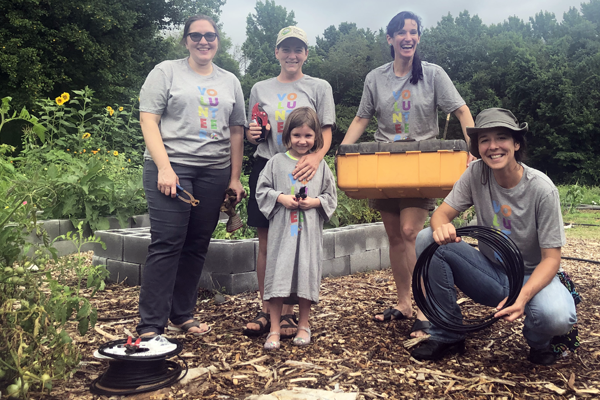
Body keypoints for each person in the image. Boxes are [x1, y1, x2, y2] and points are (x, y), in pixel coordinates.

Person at [339, 11, 475, 337]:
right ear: (390, 39)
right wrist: (342, 151)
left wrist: (474, 149)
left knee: (411, 231)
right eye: (401, 32)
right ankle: (404, 303)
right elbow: (362, 118)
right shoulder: (375, 78)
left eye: (413, 32)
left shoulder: (433, 75)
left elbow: (461, 109)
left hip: (420, 163)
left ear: (418, 38)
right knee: (395, 238)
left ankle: (427, 308)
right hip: (384, 166)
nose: (408, 37)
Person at [410, 108, 577, 365]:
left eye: (501, 138)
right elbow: (440, 215)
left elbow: (552, 260)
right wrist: (441, 226)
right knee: (427, 239)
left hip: (532, 276)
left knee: (556, 316)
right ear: (478, 147)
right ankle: (448, 333)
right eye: (485, 139)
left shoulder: (542, 189)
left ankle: (540, 343)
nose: (493, 146)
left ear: (516, 143)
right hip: (491, 273)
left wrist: (522, 298)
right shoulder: (477, 173)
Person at [136, 15, 246, 337]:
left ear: (217, 40)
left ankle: (182, 314)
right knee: (167, 243)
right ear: (186, 40)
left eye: (210, 35)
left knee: (197, 244)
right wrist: (165, 168)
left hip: (214, 171)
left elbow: (236, 131)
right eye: (196, 36)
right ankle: (151, 325)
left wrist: (235, 178)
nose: (203, 41)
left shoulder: (231, 81)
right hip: (173, 168)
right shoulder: (166, 71)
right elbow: (148, 120)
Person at [244, 26, 336, 338]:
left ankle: (289, 311)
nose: (292, 55)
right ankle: (268, 308)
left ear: (306, 54)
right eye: (286, 49)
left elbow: (326, 132)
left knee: (297, 241)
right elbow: (254, 127)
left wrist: (316, 157)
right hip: (269, 166)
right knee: (268, 242)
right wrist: (251, 133)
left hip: (304, 168)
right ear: (277, 53)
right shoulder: (260, 88)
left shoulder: (319, 86)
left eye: (298, 49)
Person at [255, 107, 337, 349]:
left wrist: (314, 202)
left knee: (305, 274)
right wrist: (280, 198)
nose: (302, 141)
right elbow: (262, 191)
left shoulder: (320, 166)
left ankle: (303, 324)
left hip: (308, 235)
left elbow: (330, 196)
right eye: (297, 135)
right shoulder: (275, 163)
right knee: (278, 274)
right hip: (282, 234)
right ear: (287, 136)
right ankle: (274, 328)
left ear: (316, 138)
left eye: (308, 136)